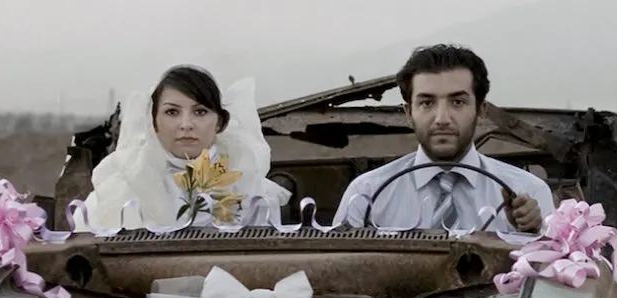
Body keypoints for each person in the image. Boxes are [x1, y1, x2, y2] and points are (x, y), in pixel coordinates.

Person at [333, 44, 555, 238]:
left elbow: (552, 277)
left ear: (480, 111)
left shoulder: (528, 192)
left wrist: (533, 234)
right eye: (427, 103)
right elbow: (336, 274)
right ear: (409, 113)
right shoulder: (366, 193)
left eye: (457, 102)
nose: (442, 119)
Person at [81, 65, 291, 229]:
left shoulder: (247, 182)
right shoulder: (123, 184)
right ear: (153, 122)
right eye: (172, 112)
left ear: (219, 122)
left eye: (200, 112)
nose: (186, 124)